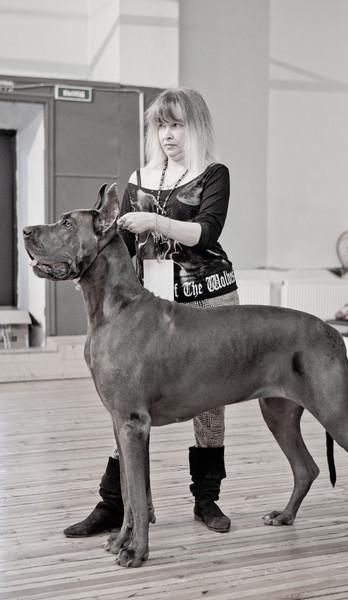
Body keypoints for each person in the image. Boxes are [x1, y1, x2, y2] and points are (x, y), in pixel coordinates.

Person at [63, 88, 239, 538]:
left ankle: (206, 500)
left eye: (177, 125)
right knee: (128, 404)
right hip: (150, 301)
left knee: (208, 407)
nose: (168, 135)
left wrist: (155, 222)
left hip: (206, 297)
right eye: (161, 126)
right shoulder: (139, 178)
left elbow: (206, 232)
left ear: (196, 127)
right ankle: (116, 502)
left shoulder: (213, 173)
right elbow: (119, 245)